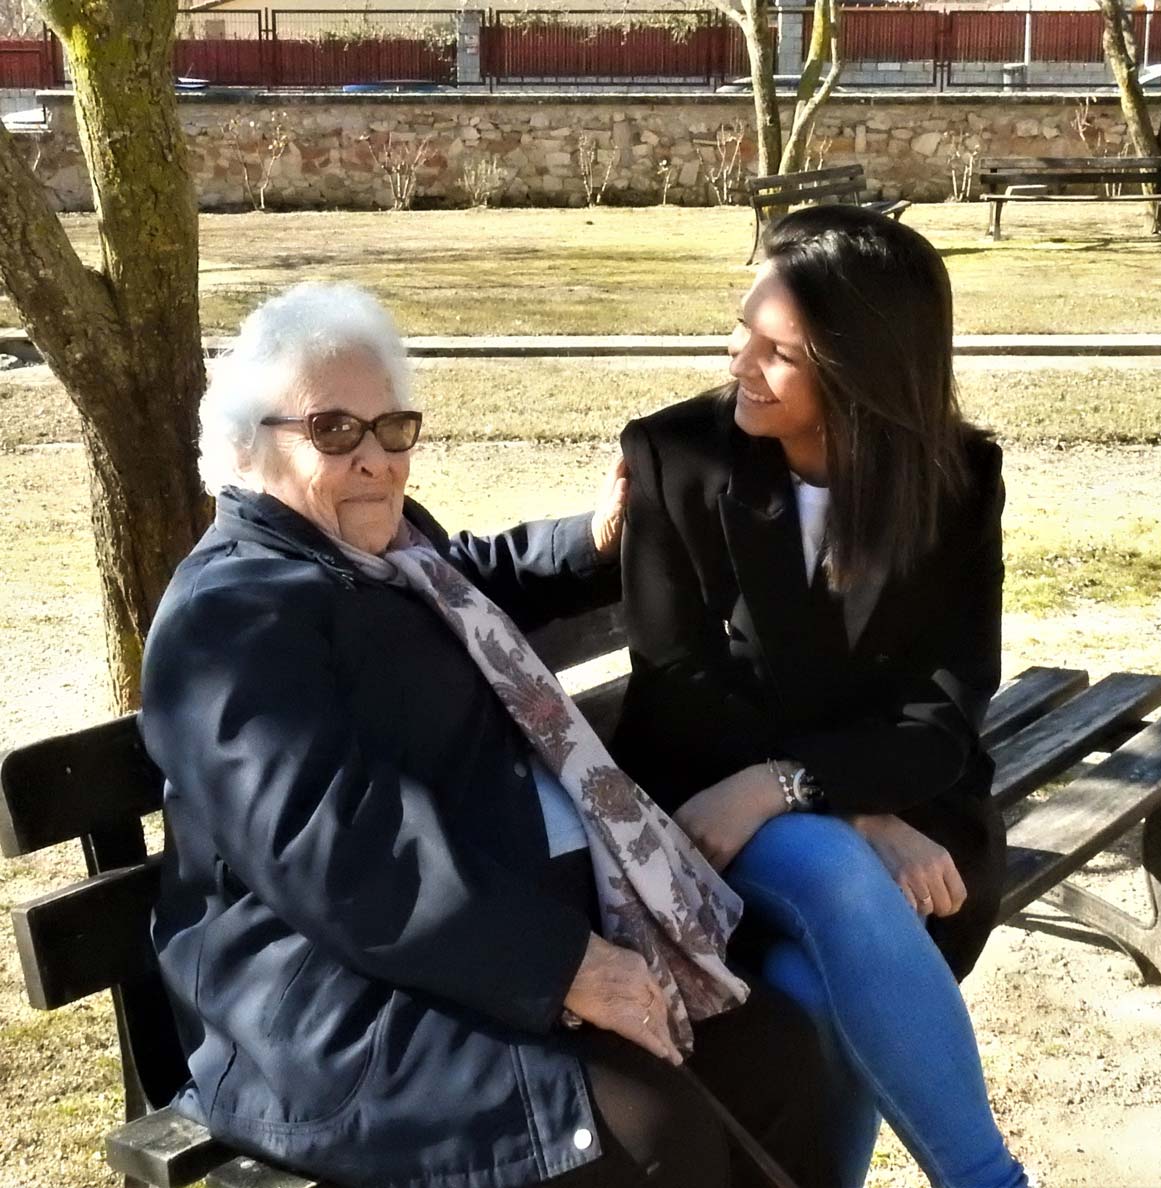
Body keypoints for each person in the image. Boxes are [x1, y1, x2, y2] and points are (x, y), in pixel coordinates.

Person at [140, 281, 847, 1188]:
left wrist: (591, 541)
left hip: (478, 936)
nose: (375, 459)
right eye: (333, 430)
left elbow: (472, 577)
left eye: (391, 428)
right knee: (651, 1128)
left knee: (779, 1056)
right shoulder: (230, 615)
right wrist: (566, 966)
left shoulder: (389, 552)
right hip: (327, 996)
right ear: (247, 445)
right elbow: (343, 851)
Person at [611, 206, 1030, 1188]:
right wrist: (822, 800)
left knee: (809, 990)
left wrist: (809, 787)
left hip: (912, 815)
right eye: (741, 328)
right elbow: (677, 685)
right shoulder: (679, 458)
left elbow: (949, 704)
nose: (740, 359)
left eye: (779, 350)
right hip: (709, 812)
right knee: (841, 874)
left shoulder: (956, 477)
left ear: (861, 368)